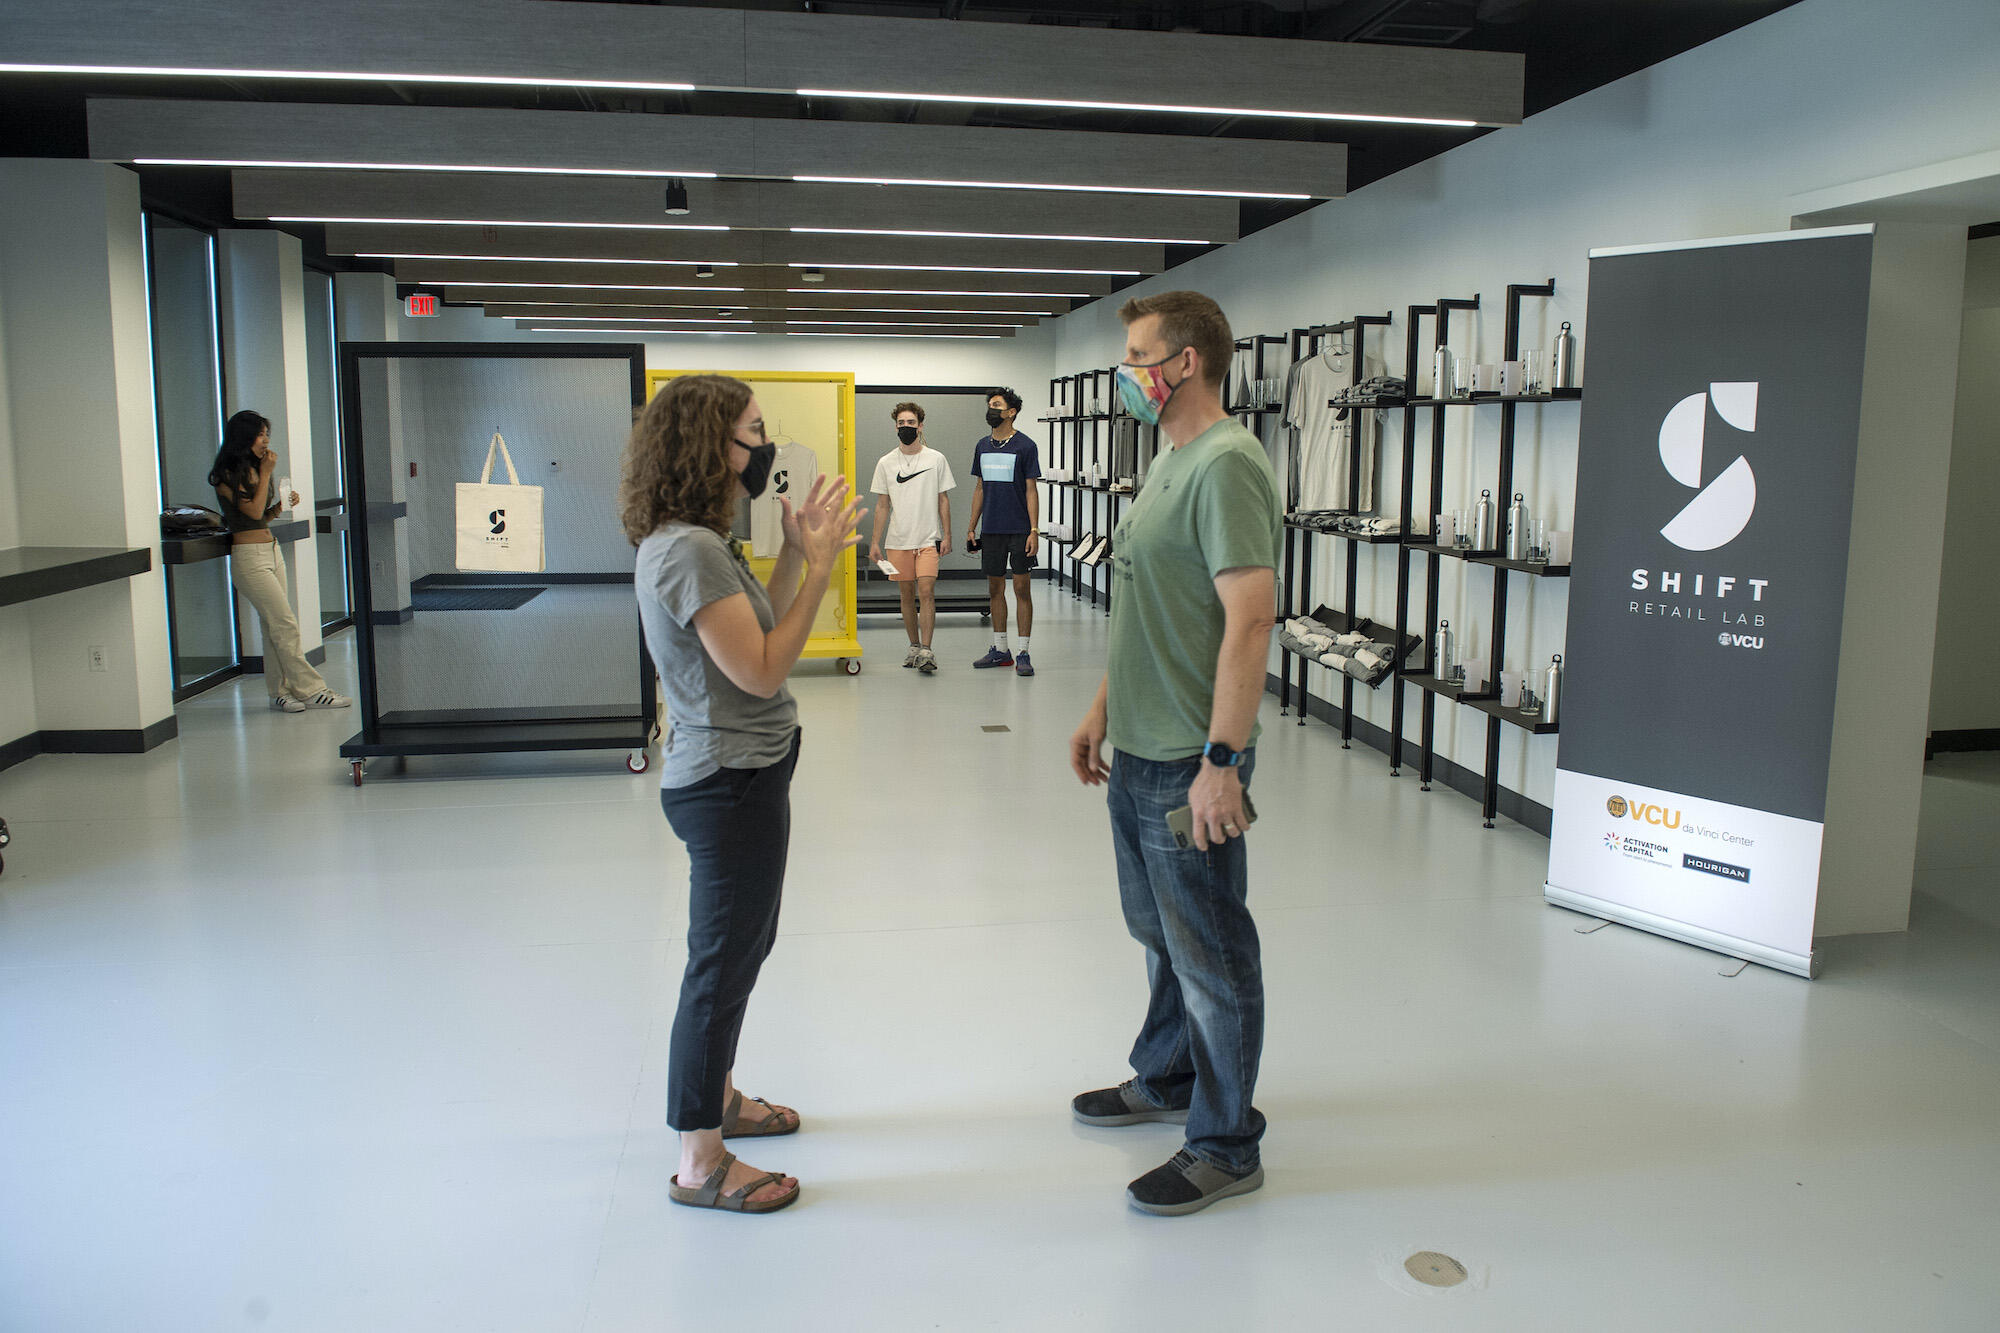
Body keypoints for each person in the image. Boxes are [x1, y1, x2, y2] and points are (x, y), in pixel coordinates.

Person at [622, 373, 865, 1216]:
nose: (763, 449)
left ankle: (718, 1099)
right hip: (728, 785)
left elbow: (748, 631)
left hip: (743, 775)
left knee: (739, 953)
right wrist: (823, 573)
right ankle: (700, 1158)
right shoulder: (687, 548)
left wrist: (797, 551)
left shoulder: (698, 539)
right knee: (719, 964)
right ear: (709, 447)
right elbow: (761, 668)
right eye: (753, 433)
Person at [1066, 292, 1283, 1217]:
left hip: (1191, 756)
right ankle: (1167, 1076)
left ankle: (1227, 1141)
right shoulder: (1169, 459)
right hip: (1139, 744)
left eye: (1136, 352)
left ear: (1186, 360)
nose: (1127, 369)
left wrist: (1221, 760)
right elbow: (1149, 605)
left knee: (1211, 951)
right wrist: (1099, 709)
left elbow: (1250, 617)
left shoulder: (1228, 463)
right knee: (1159, 932)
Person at [208, 410, 350, 713]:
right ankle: (312, 689)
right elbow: (250, 512)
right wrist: (268, 473)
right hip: (249, 559)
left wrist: (279, 507)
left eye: (266, 435)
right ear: (244, 438)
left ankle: (280, 693)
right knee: (285, 623)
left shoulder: (254, 470)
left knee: (272, 626)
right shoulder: (225, 475)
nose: (266, 441)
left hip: (270, 550)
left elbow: (261, 516)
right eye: (260, 435)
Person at [867, 401, 955, 674]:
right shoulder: (886, 462)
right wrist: (874, 541)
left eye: (911, 423)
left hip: (928, 538)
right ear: (896, 426)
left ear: (920, 426)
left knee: (926, 591)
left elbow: (943, 500)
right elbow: (882, 505)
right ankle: (914, 646)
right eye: (901, 423)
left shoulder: (936, 459)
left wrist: (947, 534)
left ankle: (927, 651)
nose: (906, 427)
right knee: (906, 595)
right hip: (898, 540)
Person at [966, 387, 1041, 677]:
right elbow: (980, 488)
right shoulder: (982, 445)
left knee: (1022, 588)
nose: (991, 410)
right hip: (993, 529)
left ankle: (1023, 652)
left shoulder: (1025, 446)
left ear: (1011, 412)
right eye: (990, 405)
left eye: (997, 405)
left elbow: (1031, 490)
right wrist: (972, 525)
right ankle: (1000, 650)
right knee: (995, 588)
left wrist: (1034, 530)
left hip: (1020, 528)